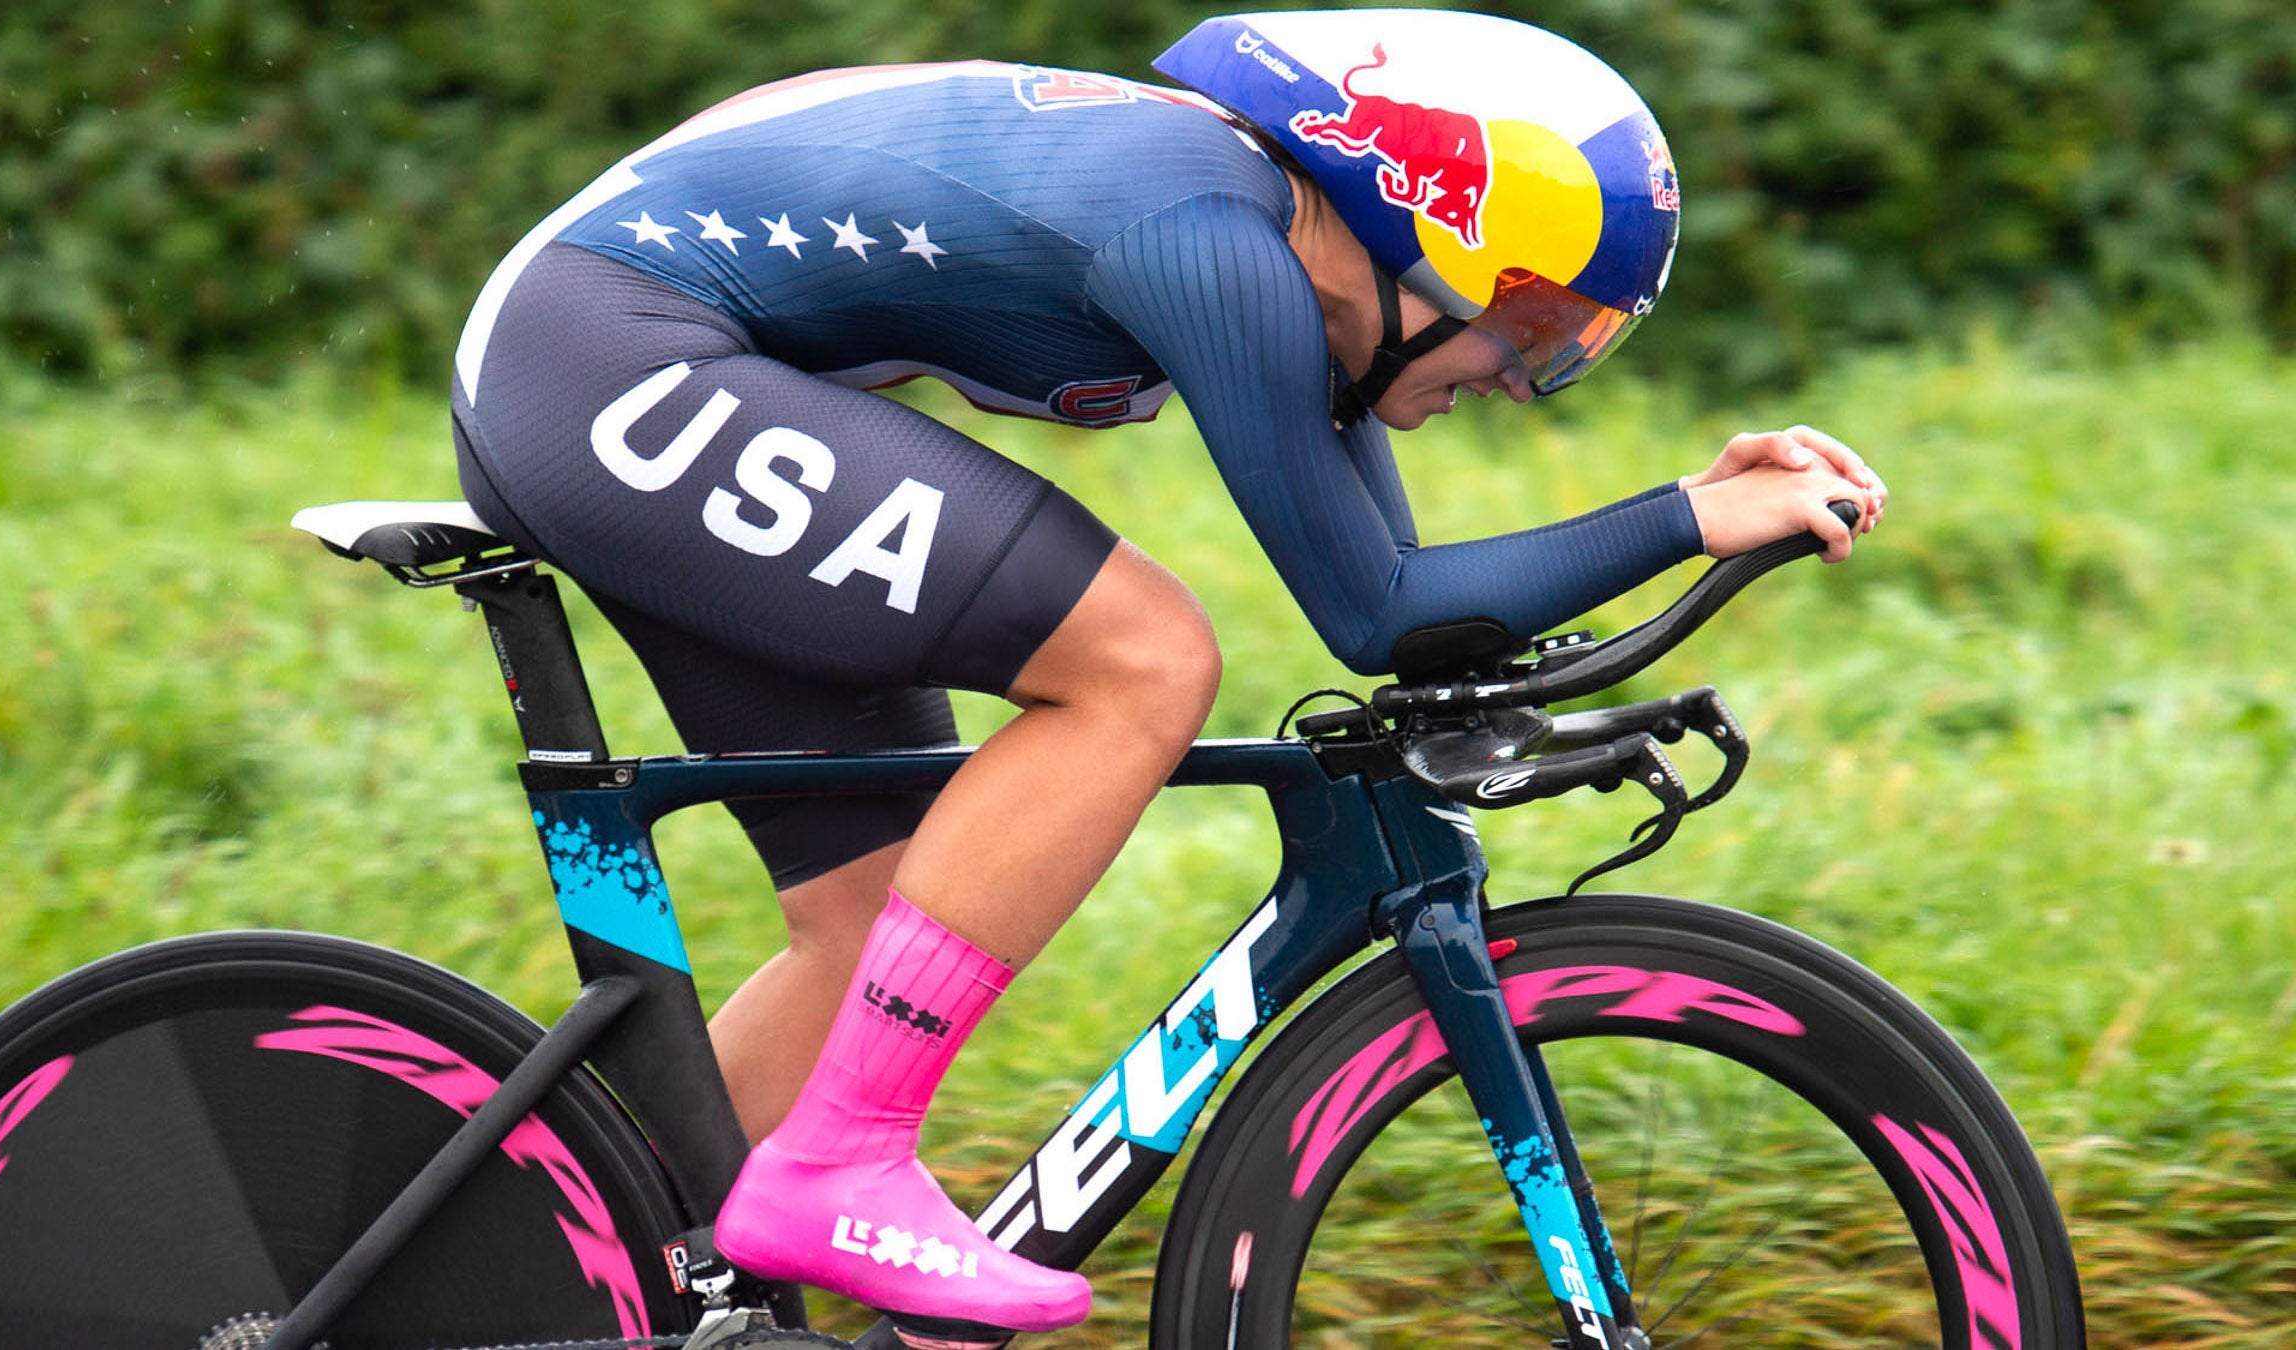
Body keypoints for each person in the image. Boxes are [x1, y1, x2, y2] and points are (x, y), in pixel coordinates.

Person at [447, 7, 1886, 1340]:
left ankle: (582, 1278)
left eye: (1571, 350)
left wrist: (1660, 541)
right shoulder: (1215, 244)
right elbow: (1377, 612)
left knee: (875, 914)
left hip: (622, 351)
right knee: (1142, 658)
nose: (1524, 377)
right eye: (1535, 327)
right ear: (1420, 233)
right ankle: (837, 1162)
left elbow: (1409, 606)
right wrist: (1684, 514)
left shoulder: (1288, 255)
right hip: (600, 355)